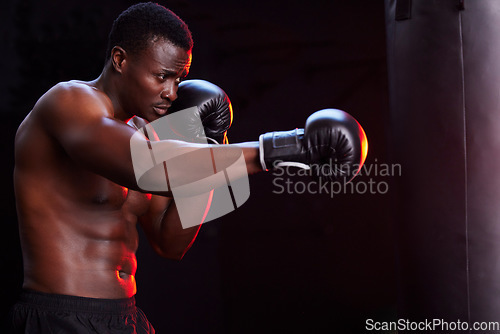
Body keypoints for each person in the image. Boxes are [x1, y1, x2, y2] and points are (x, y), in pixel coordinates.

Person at [10, 2, 367, 333]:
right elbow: (148, 168)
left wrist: (209, 146)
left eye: (178, 79)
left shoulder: (144, 132)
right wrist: (283, 148)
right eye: (162, 76)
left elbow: (171, 242)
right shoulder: (69, 103)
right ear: (120, 60)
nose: (171, 92)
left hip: (126, 318)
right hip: (59, 318)